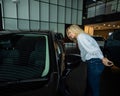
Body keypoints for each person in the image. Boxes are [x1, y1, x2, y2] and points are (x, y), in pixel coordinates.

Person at [66, 24, 114, 96]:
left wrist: (103, 58)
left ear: (75, 30)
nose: (69, 35)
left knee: (94, 88)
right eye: (68, 34)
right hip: (95, 63)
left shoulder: (80, 36)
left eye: (70, 32)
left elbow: (93, 49)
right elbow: (88, 50)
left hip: (94, 63)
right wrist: (83, 59)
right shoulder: (83, 36)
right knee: (92, 87)